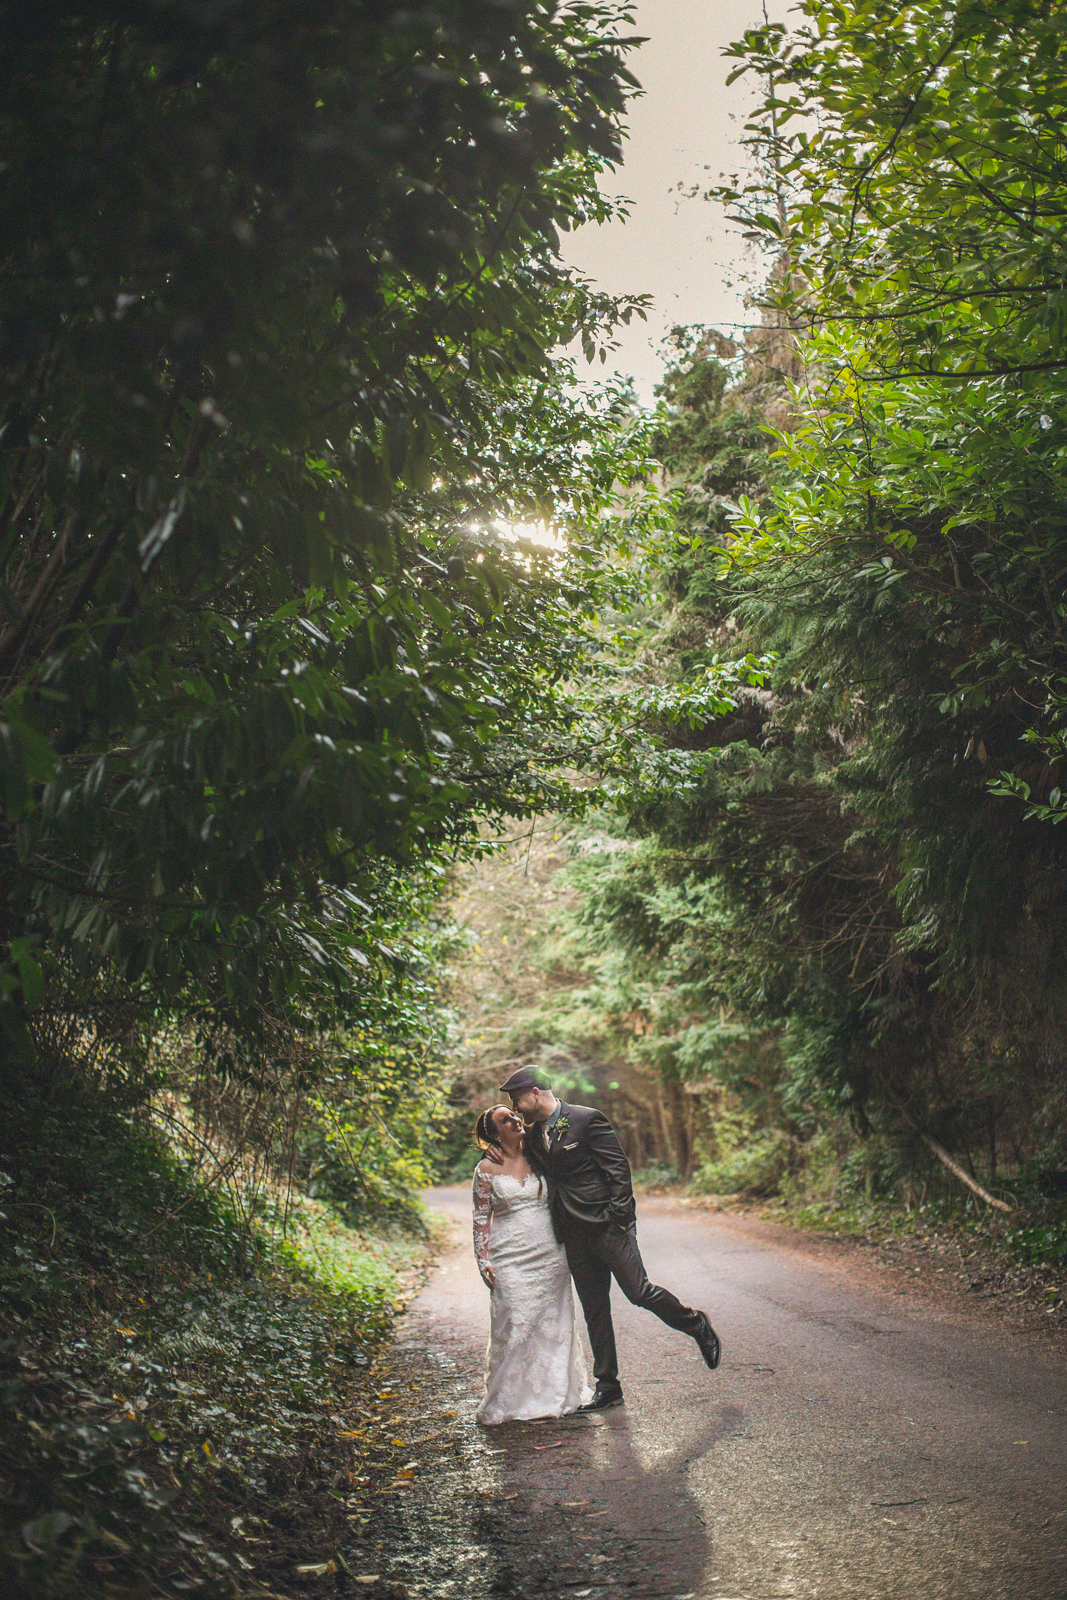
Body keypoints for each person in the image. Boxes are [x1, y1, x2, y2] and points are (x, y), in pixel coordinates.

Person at [497, 1068, 721, 1412]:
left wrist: (619, 1218)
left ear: (536, 1093)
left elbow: (618, 1169)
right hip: (572, 1232)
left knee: (639, 1292)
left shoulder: (587, 1119)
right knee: (595, 1309)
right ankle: (608, 1386)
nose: (516, 1107)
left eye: (517, 1099)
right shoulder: (534, 1134)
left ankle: (696, 1324)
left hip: (607, 1226)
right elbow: (516, 1160)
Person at [471, 1103, 593, 1425]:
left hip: (551, 1253)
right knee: (515, 1321)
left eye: (513, 1115)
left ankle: (556, 1394)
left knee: (554, 1323)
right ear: (494, 1134)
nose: (515, 1120)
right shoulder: (486, 1169)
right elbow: (481, 1218)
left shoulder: (540, 1152)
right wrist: (483, 1260)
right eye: (505, 1120)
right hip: (509, 1255)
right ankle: (510, 1399)